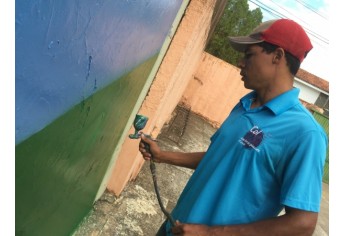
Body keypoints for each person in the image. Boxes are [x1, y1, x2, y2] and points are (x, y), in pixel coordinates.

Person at [139, 18, 328, 236]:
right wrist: (163, 156)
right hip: (177, 225)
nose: (240, 62)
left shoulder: (305, 134)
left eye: (249, 55)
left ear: (277, 56)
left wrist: (210, 233)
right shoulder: (245, 105)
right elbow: (221, 158)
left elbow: (302, 224)